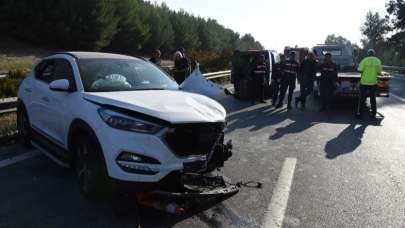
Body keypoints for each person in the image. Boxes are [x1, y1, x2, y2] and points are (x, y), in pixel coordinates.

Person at [356, 49, 382, 119]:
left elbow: (360, 70)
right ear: (374, 54)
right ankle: (373, 114)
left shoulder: (364, 60)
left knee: (362, 98)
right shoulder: (377, 60)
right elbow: (379, 72)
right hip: (373, 83)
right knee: (373, 98)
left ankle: (360, 114)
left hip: (364, 82)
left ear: (368, 54)